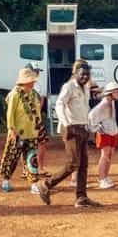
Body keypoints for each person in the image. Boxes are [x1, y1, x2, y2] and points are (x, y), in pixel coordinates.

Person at [36, 61, 101, 208]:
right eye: (82, 74)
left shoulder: (85, 87)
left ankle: (81, 197)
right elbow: (59, 104)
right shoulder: (69, 86)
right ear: (75, 73)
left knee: (83, 165)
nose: (85, 77)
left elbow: (86, 105)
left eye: (87, 74)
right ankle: (46, 185)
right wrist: (66, 123)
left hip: (83, 128)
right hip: (71, 128)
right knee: (73, 163)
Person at [0, 67, 47, 193]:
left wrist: (39, 127)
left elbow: (37, 111)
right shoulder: (15, 94)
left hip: (32, 132)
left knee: (32, 158)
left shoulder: (33, 94)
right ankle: (6, 180)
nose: (33, 82)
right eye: (31, 80)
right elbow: (10, 113)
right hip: (17, 133)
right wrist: (11, 128)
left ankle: (34, 183)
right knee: (11, 157)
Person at [89, 82, 118, 189]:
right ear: (110, 93)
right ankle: (102, 179)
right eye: (116, 92)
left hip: (113, 132)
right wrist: (96, 128)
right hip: (104, 133)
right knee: (105, 156)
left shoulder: (111, 102)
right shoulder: (103, 104)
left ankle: (105, 177)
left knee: (110, 155)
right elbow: (91, 116)